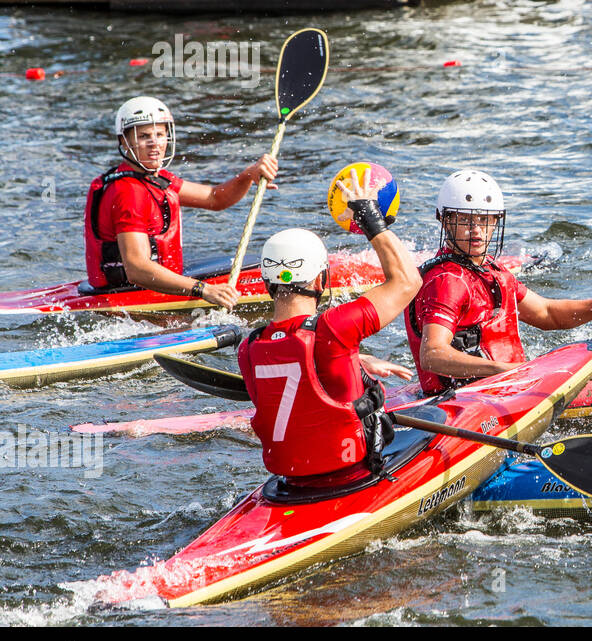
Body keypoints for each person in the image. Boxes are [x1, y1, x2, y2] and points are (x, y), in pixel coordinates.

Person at [238, 168, 421, 482]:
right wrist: (368, 215)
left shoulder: (249, 348)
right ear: (319, 279)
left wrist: (354, 359)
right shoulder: (336, 328)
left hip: (291, 481)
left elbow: (300, 377)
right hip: (353, 474)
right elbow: (408, 281)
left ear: (268, 282)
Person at [405, 169, 592, 395]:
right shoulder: (447, 280)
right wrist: (507, 371)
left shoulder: (489, 270)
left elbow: (547, 314)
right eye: (465, 220)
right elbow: (433, 355)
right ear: (444, 220)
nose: (476, 230)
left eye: (484, 219)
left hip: (506, 387)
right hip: (470, 398)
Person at [83, 95, 278, 308]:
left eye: (159, 134)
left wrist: (248, 175)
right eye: (144, 136)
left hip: (143, 284)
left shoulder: (155, 179)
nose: (154, 143)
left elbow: (216, 198)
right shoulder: (129, 192)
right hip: (132, 292)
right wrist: (204, 289)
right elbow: (137, 269)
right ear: (125, 141)